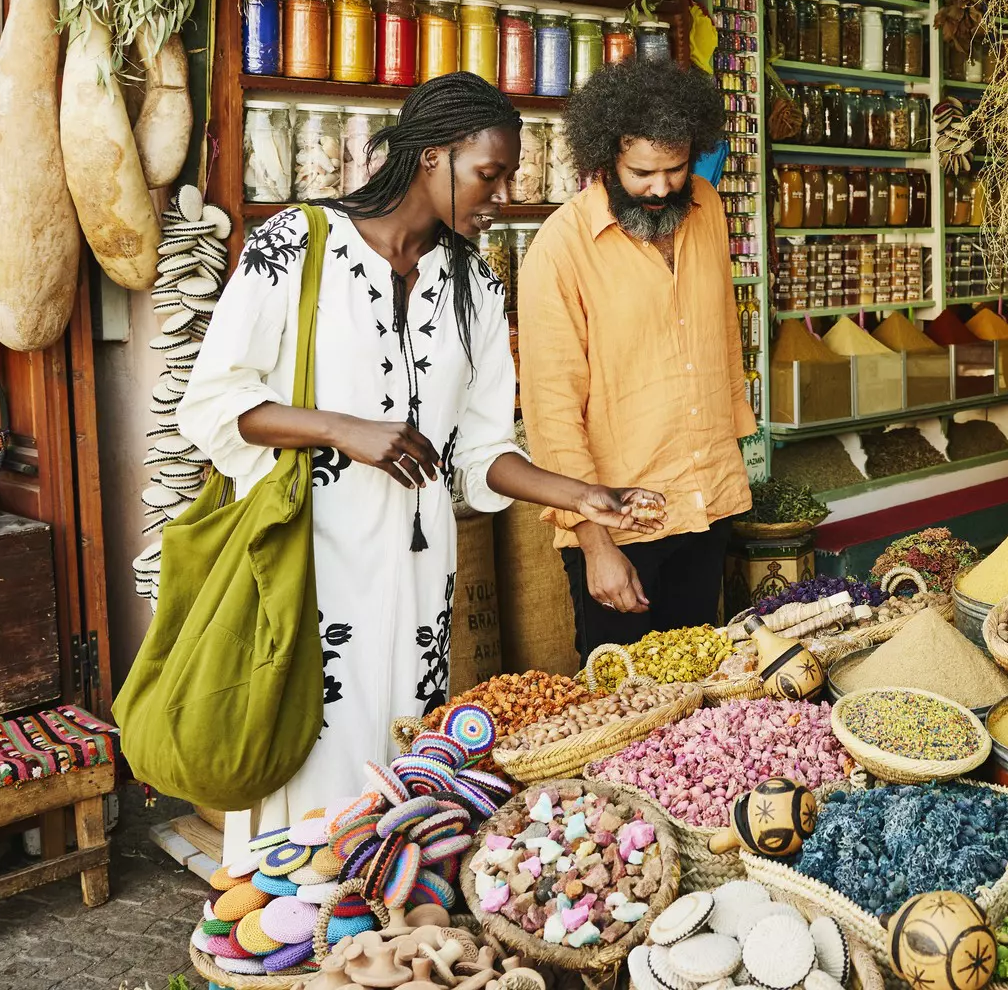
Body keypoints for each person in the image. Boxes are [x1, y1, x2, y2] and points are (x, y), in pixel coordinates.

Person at [178, 73, 662, 864]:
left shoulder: (474, 285)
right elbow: (212, 404)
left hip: (417, 579)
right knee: (310, 771)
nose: (501, 195)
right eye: (489, 173)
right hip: (309, 567)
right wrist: (342, 430)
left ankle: (380, 938)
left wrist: (586, 496)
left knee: (403, 772)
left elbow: (480, 455)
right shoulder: (295, 246)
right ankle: (283, 949)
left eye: (508, 177)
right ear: (432, 156)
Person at [516, 55, 754, 654]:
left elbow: (722, 340)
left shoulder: (707, 209)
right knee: (624, 716)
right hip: (621, 526)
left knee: (699, 711)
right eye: (643, 172)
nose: (662, 188)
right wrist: (597, 546)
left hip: (707, 504)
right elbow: (552, 414)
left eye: (675, 168)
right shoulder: (560, 249)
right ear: (606, 157)